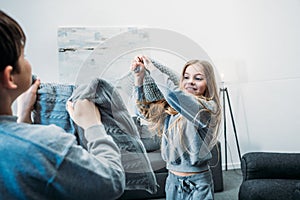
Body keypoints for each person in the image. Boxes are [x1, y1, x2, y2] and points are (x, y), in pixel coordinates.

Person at [0, 10, 125, 200]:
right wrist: (93, 126)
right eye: (24, 56)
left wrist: (23, 118)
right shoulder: (48, 144)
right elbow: (112, 181)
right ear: (10, 77)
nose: (27, 61)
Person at [130, 55, 221, 200]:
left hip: (198, 183)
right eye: (186, 77)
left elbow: (173, 94)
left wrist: (153, 69)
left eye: (198, 78)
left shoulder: (206, 109)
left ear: (208, 84)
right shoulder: (173, 109)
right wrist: (139, 78)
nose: (190, 81)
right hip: (173, 180)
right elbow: (141, 112)